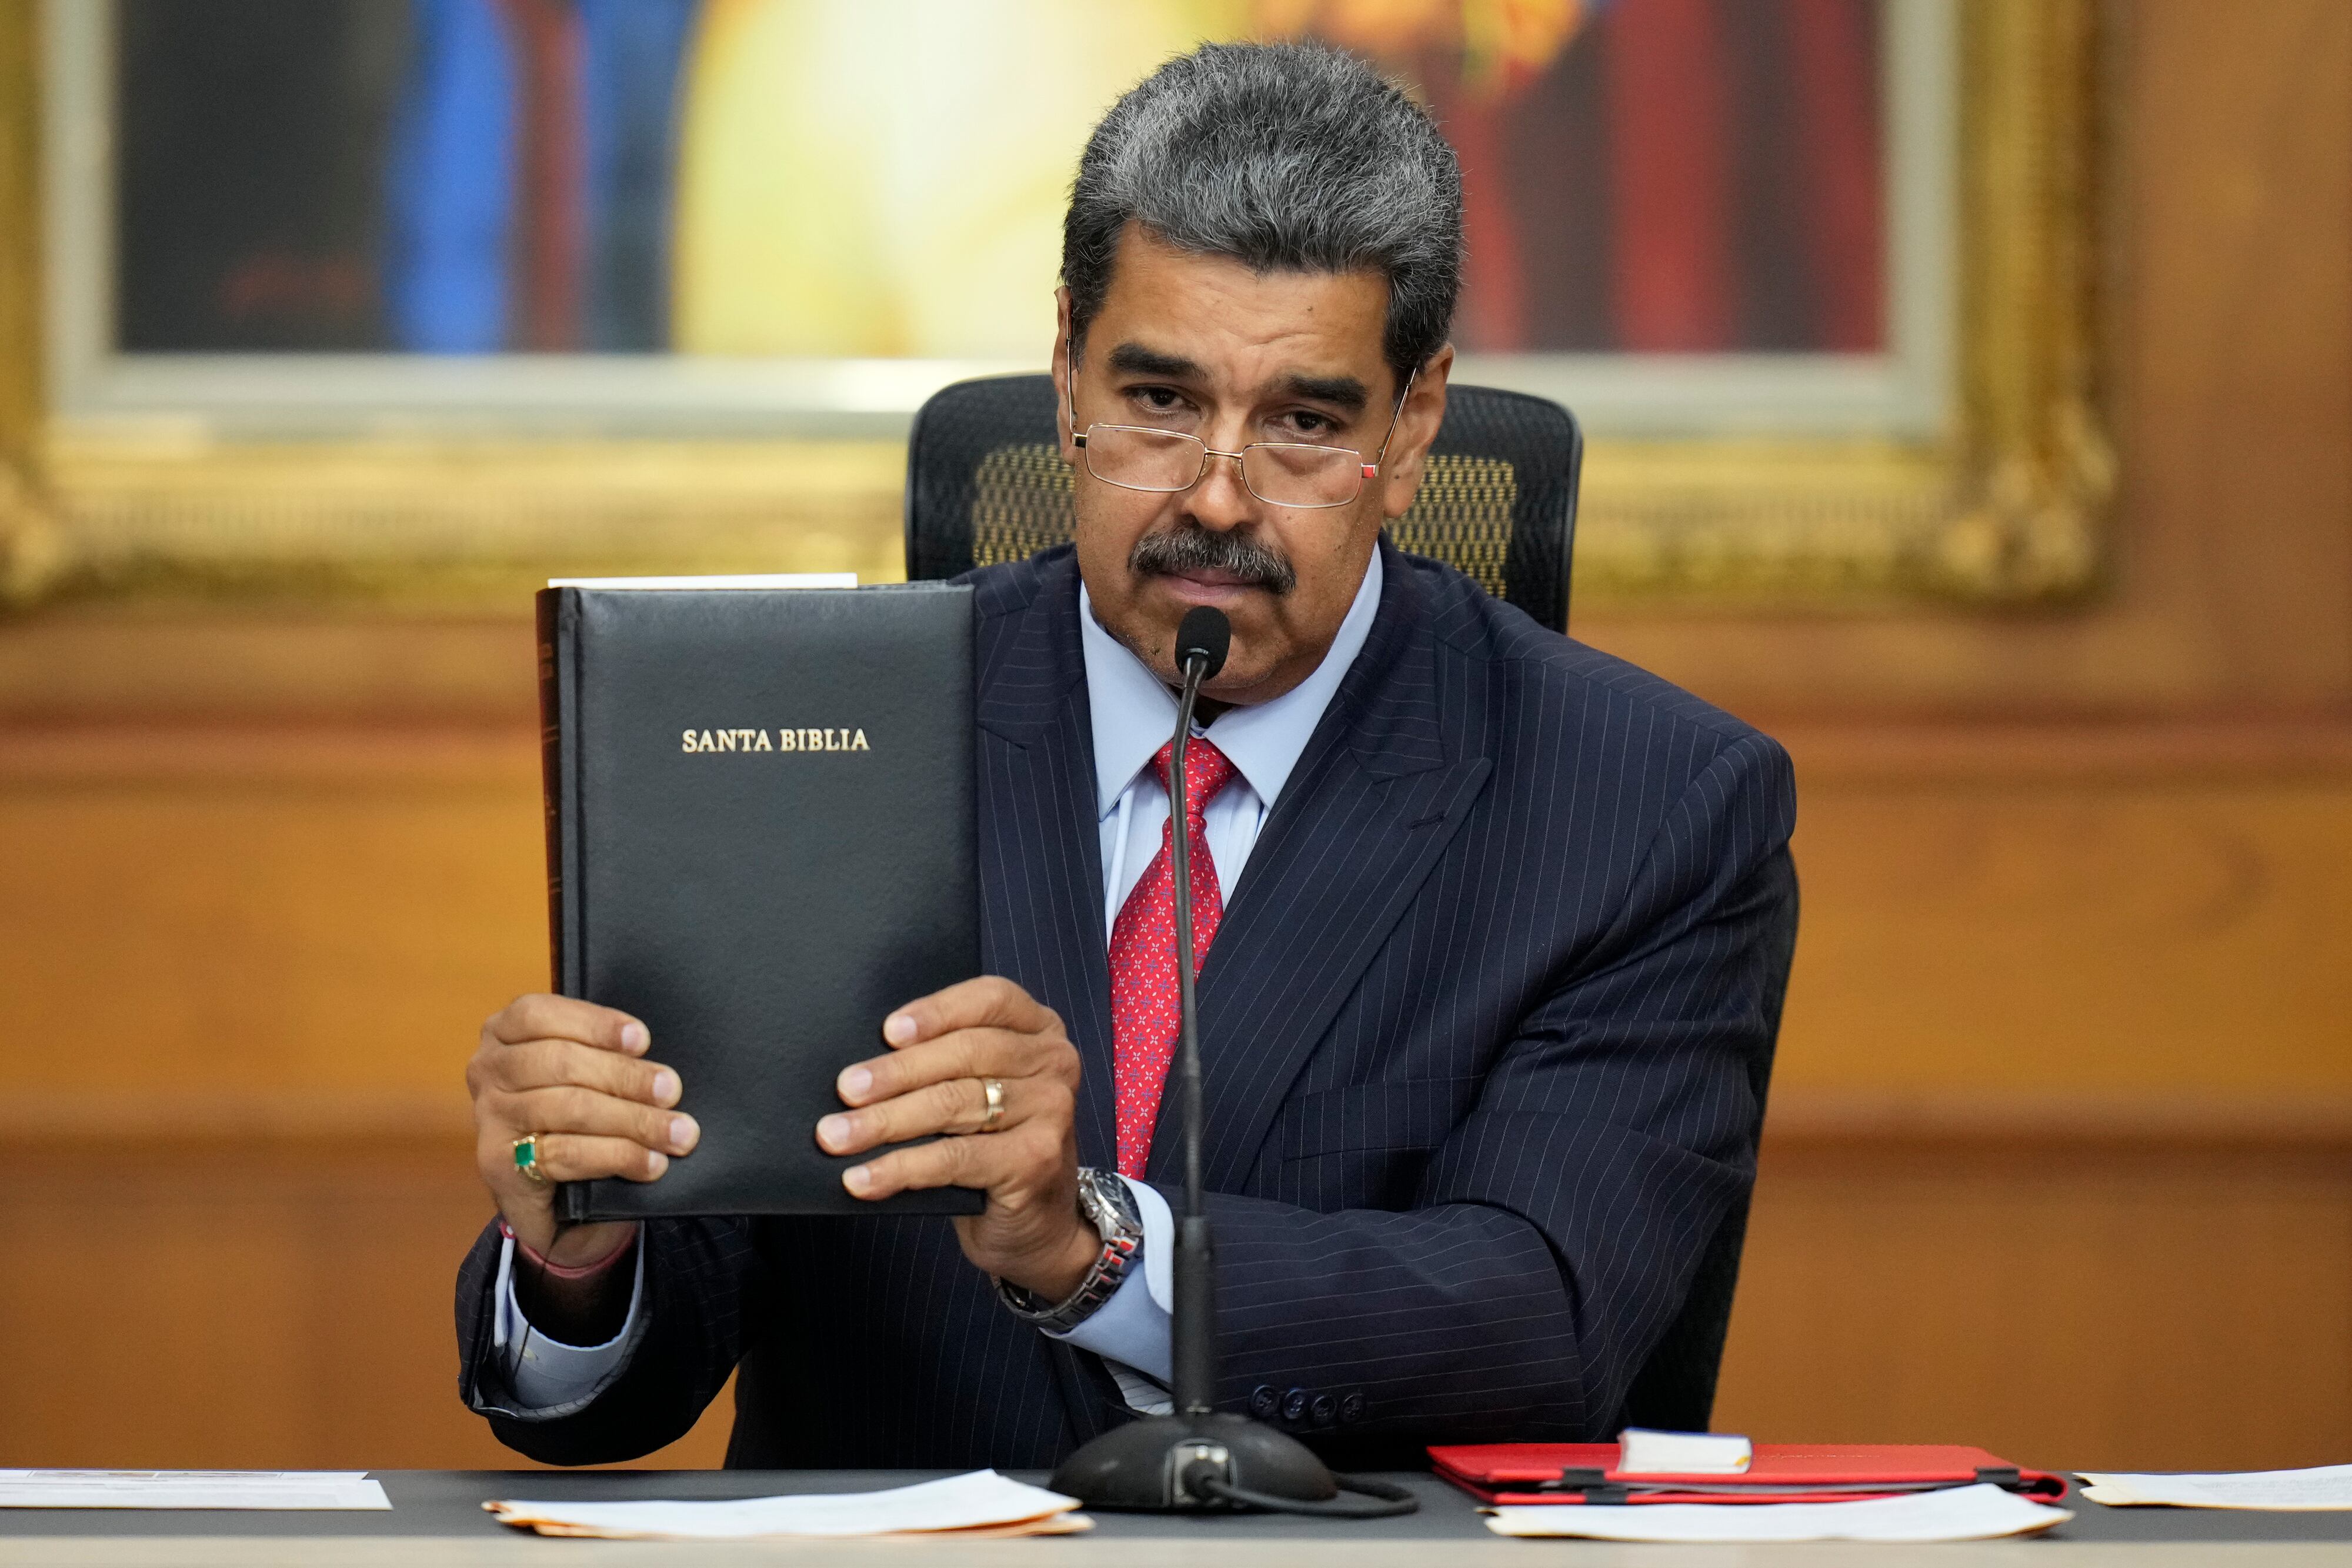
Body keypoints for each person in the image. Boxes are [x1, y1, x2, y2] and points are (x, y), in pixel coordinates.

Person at [455, 40, 1797, 1469]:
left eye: (1301, 423)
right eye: (1159, 402)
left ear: (1410, 430)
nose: (1215, 497)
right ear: (1064, 376)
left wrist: (1091, 1249)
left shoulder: (1644, 806)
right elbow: (636, 1365)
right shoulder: (821, 736)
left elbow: (1546, 1324)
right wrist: (582, 1251)